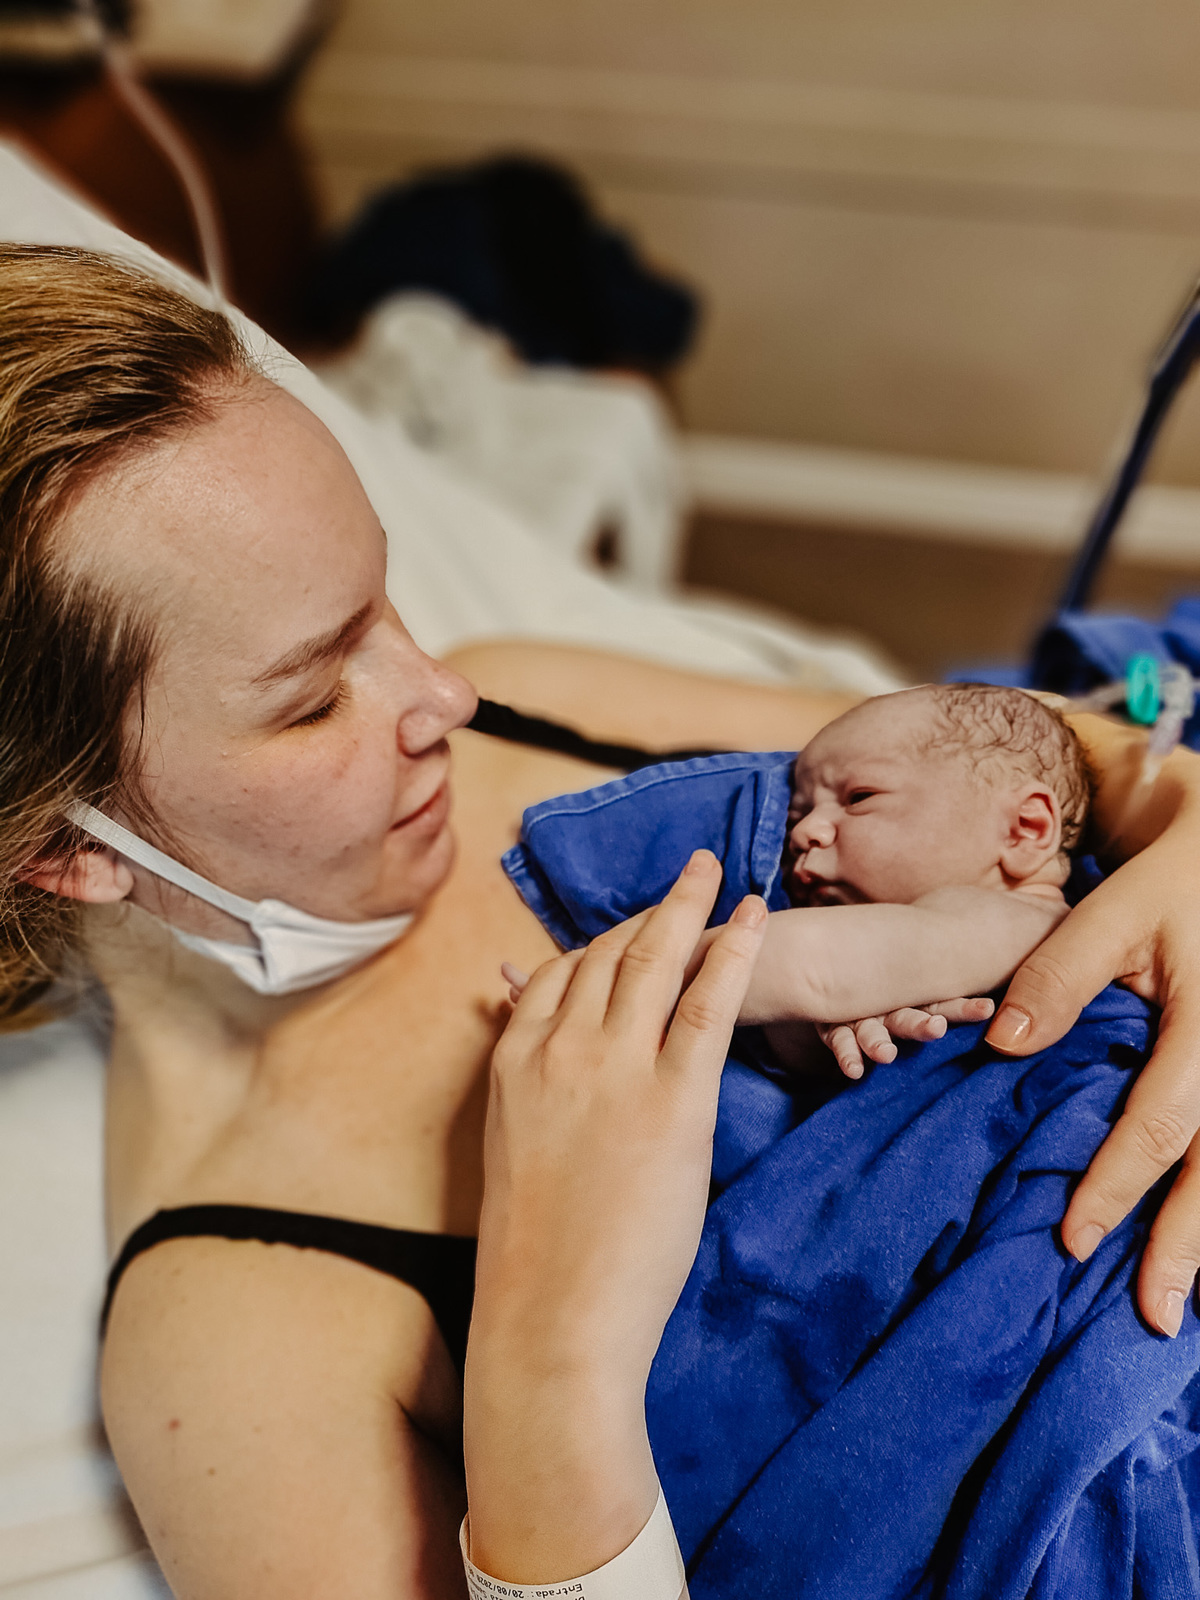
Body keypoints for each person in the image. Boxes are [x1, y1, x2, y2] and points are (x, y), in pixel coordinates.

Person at [3, 241, 1200, 1596]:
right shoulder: (232, 1340)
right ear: (67, 853)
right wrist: (550, 1353)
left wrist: (1185, 826)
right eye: (313, 697)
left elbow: (1019, 762)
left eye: (383, 598)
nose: (440, 694)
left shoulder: (520, 698)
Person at [504, 682, 1087, 1081]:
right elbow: (798, 1031)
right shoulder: (930, 937)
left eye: (859, 798)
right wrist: (829, 1026)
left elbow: (803, 966)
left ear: (1024, 829)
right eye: (797, 812)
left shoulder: (1024, 923)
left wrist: (594, 978)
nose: (807, 830)